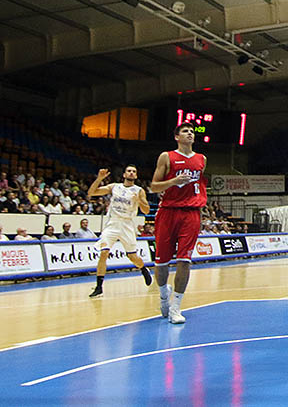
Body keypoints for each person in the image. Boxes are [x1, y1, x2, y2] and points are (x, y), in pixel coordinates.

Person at [150, 123, 208, 324]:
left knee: (185, 260)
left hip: (191, 214)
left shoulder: (201, 159)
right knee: (162, 263)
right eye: (185, 131)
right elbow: (153, 186)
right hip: (168, 212)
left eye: (192, 131)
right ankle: (163, 295)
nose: (190, 133)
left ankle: (176, 307)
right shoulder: (166, 156)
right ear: (176, 137)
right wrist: (173, 182)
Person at [86, 166, 153, 298]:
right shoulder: (114, 187)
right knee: (104, 252)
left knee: (132, 257)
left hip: (127, 224)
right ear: (124, 174)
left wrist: (139, 201)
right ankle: (99, 287)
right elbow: (91, 192)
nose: (131, 173)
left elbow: (146, 211)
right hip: (112, 223)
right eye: (129, 171)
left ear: (136, 176)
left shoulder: (139, 191)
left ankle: (143, 269)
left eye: (134, 171)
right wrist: (99, 178)